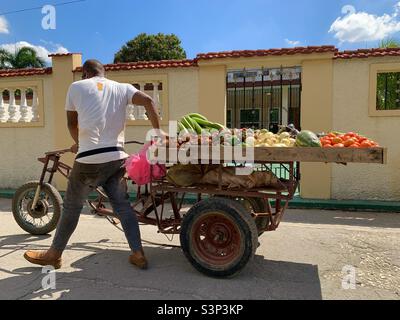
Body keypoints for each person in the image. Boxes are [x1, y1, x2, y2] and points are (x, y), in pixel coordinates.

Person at [24, 59, 162, 270]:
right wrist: (158, 134)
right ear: (103, 72)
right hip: (117, 157)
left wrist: (80, 144)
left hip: (89, 159)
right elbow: (149, 101)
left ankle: (54, 254)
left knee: (71, 207)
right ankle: (138, 253)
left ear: (86, 73)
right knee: (123, 207)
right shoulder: (122, 88)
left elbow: (72, 123)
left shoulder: (76, 87)